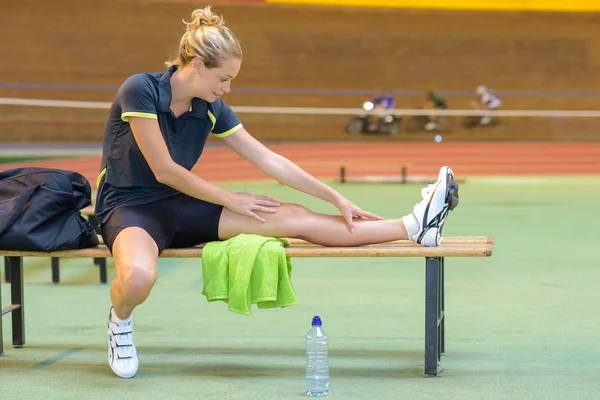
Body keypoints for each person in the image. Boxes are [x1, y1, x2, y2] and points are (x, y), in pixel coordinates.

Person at [95, 6, 459, 379]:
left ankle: (413, 226)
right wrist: (230, 199)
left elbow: (270, 161)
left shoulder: (211, 108)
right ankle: (120, 322)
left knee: (294, 217)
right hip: (129, 208)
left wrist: (334, 196)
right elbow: (165, 170)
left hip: (182, 207)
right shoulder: (140, 89)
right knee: (139, 277)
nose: (227, 88)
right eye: (224, 78)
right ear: (198, 64)